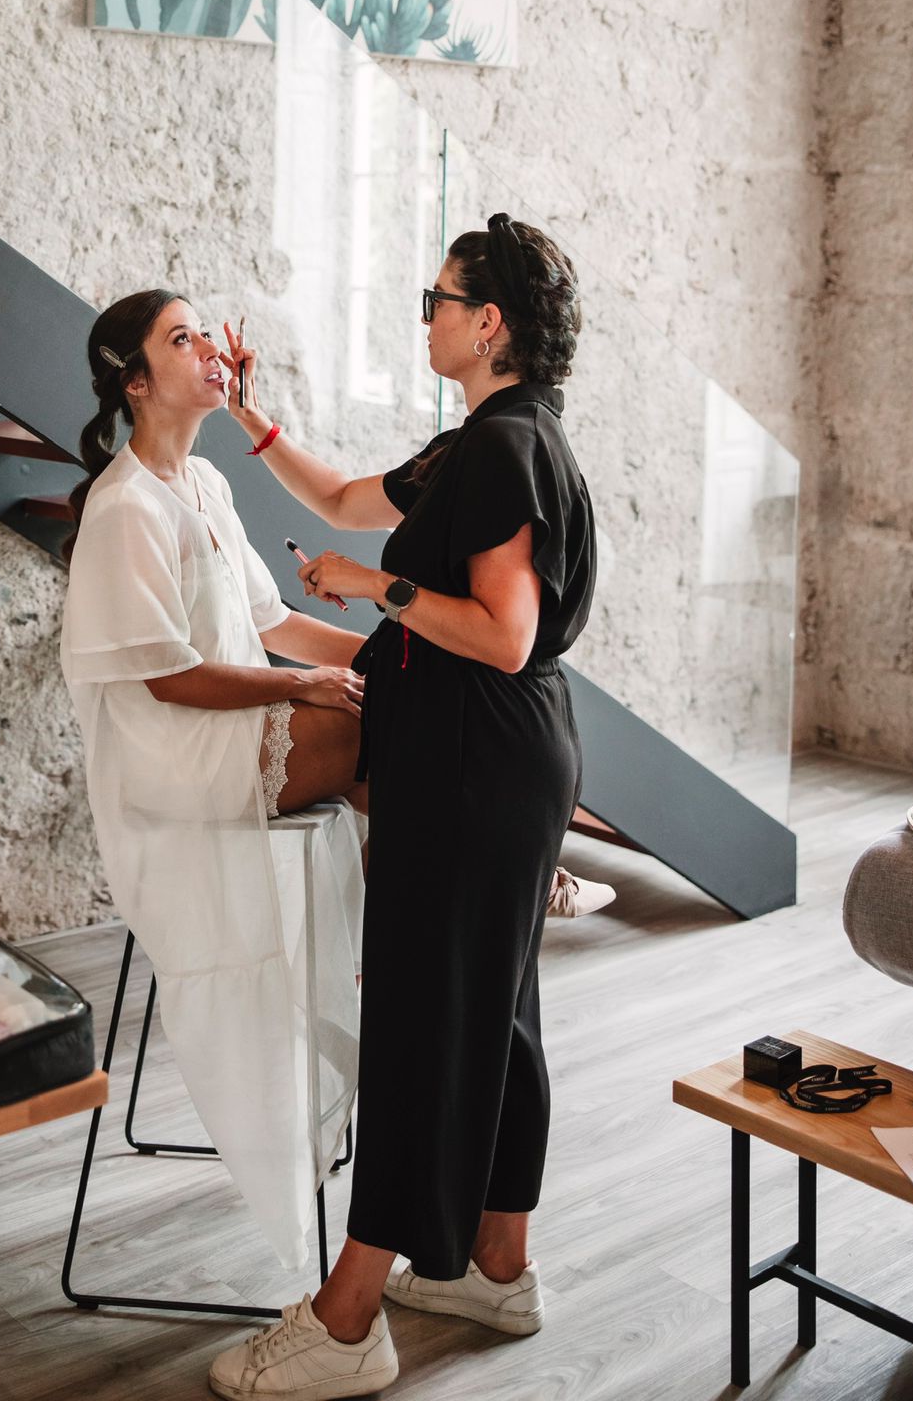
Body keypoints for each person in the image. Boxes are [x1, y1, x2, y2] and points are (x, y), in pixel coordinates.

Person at [207, 216, 597, 1401]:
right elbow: (336, 494)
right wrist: (248, 416)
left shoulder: (505, 449)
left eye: (437, 300)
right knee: (495, 1014)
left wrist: (373, 585)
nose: (423, 316)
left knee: (424, 1024)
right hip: (494, 757)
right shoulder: (486, 440)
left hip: (476, 762)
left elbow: (503, 632)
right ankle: (494, 1266)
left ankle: (346, 1318)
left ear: (489, 321)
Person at [58, 290, 370, 1271]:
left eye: (206, 332)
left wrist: (396, 652)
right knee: (379, 732)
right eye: (181, 338)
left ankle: (412, 933)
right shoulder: (125, 506)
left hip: (228, 724)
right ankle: (430, 930)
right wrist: (307, 684)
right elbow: (167, 676)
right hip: (174, 754)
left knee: (404, 702)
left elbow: (273, 622)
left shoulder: (204, 481)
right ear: (136, 381)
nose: (208, 349)